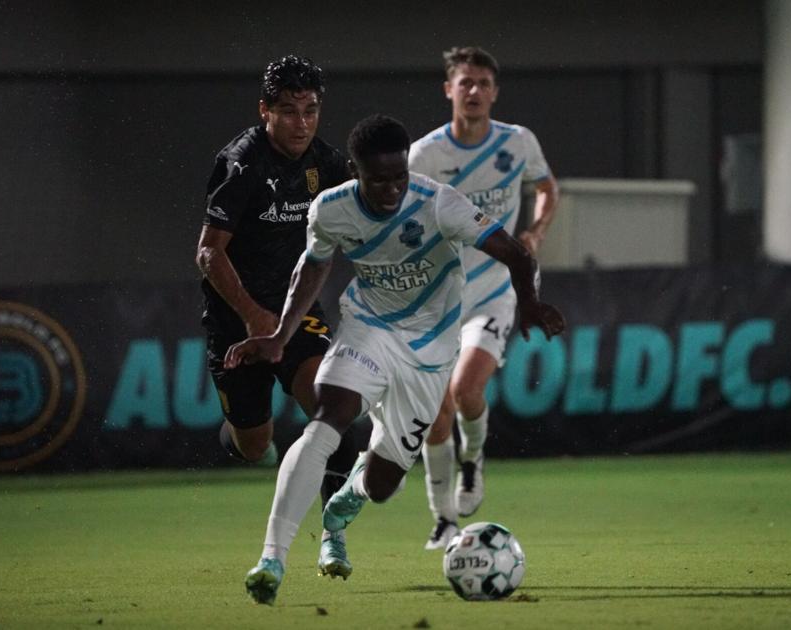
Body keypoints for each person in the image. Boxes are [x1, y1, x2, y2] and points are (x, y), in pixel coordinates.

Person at [224, 114, 566, 605]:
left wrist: (529, 303)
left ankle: (346, 503)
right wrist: (281, 333)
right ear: (355, 171)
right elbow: (314, 264)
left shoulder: (439, 204)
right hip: (369, 329)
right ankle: (272, 559)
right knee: (328, 419)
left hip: (430, 354)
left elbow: (514, 252)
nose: (391, 189)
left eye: (399, 177)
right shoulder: (331, 209)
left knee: (384, 484)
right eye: (378, 179)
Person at [195, 55, 360, 580]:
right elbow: (207, 253)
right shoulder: (240, 163)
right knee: (254, 444)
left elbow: (368, 215)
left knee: (334, 407)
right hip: (235, 322)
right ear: (264, 110)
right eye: (288, 111)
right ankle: (242, 436)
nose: (302, 123)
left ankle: (332, 538)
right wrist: (253, 317)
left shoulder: (329, 164)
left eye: (311, 110)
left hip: (298, 313)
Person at [408, 46, 561, 549]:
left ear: (494, 92)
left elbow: (546, 185)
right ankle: (443, 518)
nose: (473, 91)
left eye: (482, 83)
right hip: (440, 297)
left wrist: (535, 231)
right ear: (448, 89)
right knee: (434, 416)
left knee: (466, 393)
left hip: (496, 291)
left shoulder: (517, 142)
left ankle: (472, 462)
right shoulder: (426, 155)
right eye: (464, 82)